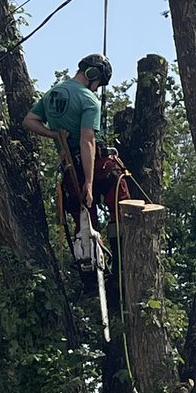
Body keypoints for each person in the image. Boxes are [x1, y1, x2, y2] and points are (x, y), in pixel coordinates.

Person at [23, 54, 130, 251]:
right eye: (98, 83)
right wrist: (89, 183)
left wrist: (54, 134)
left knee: (84, 220)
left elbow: (29, 120)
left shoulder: (51, 95)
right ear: (93, 73)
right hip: (97, 164)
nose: (97, 88)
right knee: (120, 203)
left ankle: (92, 265)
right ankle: (121, 260)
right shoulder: (88, 99)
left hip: (71, 167)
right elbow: (87, 140)